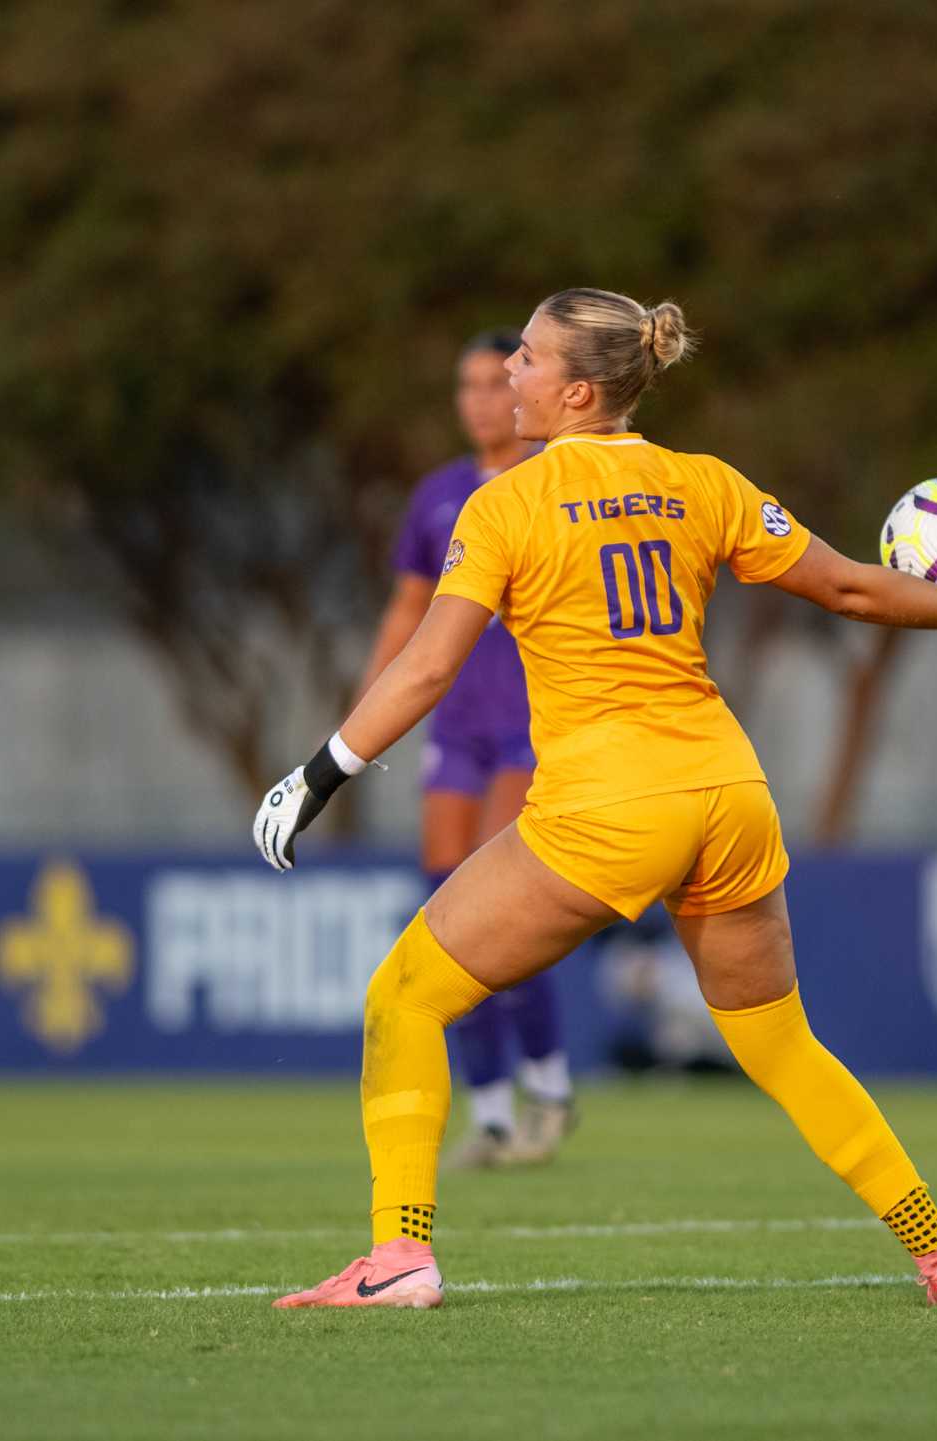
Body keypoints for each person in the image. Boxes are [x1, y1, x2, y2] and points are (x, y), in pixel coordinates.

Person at [254, 286, 937, 1311]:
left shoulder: (506, 501)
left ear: (580, 392)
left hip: (608, 809)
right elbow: (851, 586)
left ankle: (399, 1256)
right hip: (727, 794)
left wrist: (317, 773)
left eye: (528, 361)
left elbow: (424, 670)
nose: (507, 376)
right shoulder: (701, 482)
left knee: (404, 998)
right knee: (780, 1042)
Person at [359, 328, 575, 1170]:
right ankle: (489, 1112)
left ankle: (549, 1085)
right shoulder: (439, 496)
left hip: (532, 724)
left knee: (506, 908)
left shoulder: (554, 482)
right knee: (447, 908)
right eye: (470, 385)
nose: (485, 399)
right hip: (456, 729)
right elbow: (407, 613)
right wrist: (363, 720)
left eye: (499, 379)